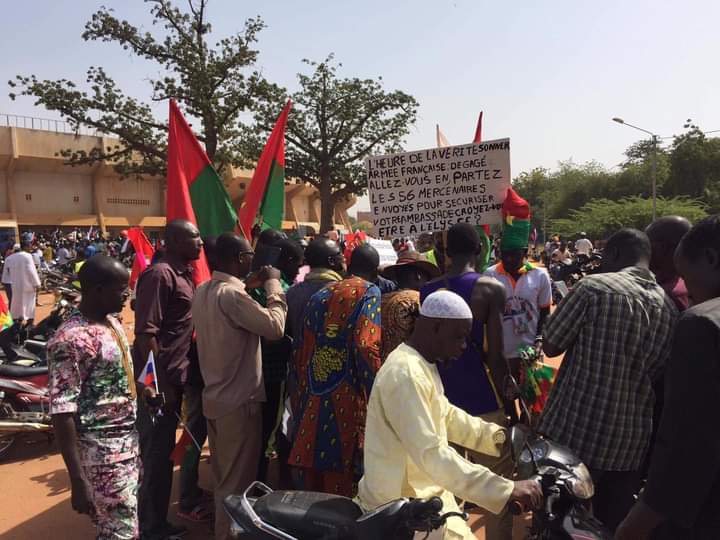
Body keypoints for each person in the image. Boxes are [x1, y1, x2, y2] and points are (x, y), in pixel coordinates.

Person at [357, 290, 542, 540]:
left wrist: (500, 439)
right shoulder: (405, 373)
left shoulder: (420, 364)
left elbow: (446, 415)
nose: (463, 346)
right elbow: (432, 454)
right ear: (435, 327)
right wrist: (505, 489)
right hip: (403, 505)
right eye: (459, 337)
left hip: (426, 495)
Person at [538, 228, 678, 533]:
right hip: (629, 446)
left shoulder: (593, 288)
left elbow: (550, 344)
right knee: (608, 527)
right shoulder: (669, 308)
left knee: (558, 524)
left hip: (574, 437)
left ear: (612, 254)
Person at [616, 215, 720, 540]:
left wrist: (639, 521)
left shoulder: (700, 324)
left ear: (711, 259)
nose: (686, 289)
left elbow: (688, 444)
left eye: (686, 278)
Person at [422, 223, 514, 540]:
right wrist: (511, 402)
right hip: (483, 402)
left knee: (444, 486)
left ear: (445, 253)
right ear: (480, 250)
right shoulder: (491, 290)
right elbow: (496, 355)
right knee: (497, 485)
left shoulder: (427, 291)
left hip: (441, 402)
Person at [192, 233, 287, 540]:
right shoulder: (233, 296)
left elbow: (232, 304)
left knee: (224, 481)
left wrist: (251, 286)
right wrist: (273, 286)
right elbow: (274, 327)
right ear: (236, 260)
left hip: (217, 400)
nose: (252, 259)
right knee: (236, 489)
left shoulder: (204, 290)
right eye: (248, 255)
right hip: (239, 404)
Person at [48, 255, 138, 539]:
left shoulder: (111, 322)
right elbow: (62, 412)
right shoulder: (70, 340)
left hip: (128, 445)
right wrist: (77, 479)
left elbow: (112, 377)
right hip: (102, 456)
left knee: (121, 526)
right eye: (121, 288)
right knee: (120, 532)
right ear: (98, 290)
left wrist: (142, 391)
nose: (128, 294)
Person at [288, 244, 382, 497]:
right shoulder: (368, 292)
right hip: (348, 400)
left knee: (315, 479)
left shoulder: (320, 295)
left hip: (314, 395)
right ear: (374, 271)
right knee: (344, 480)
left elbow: (302, 351)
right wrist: (379, 393)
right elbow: (366, 346)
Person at [133, 219, 203, 540]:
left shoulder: (182, 273)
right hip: (161, 388)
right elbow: (146, 336)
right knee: (156, 458)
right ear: (174, 240)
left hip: (176, 382)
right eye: (194, 238)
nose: (200, 243)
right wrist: (154, 387)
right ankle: (150, 528)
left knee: (163, 459)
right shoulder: (159, 275)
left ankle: (157, 522)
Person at [250, 237, 303, 485]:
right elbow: (277, 331)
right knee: (274, 430)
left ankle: (257, 480)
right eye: (298, 262)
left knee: (257, 434)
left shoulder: (249, 282)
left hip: (251, 373)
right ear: (288, 260)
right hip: (274, 372)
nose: (299, 269)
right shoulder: (279, 287)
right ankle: (264, 485)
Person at [485, 189, 551, 377]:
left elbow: (545, 312)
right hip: (500, 355)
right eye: (504, 254)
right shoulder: (490, 276)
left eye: (514, 255)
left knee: (531, 404)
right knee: (507, 402)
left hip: (530, 353)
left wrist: (539, 340)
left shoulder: (540, 276)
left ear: (524, 253)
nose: (509, 259)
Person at [380, 251, 440, 361]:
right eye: (426, 278)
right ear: (418, 276)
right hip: (409, 366)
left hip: (384, 368)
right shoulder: (416, 300)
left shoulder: (383, 299)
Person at [285, 237, 345, 343]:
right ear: (331, 261)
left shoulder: (292, 293)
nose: (344, 258)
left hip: (299, 357)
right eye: (340, 254)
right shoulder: (345, 293)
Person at [645, 215, 692, 311]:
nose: (642, 248)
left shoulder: (667, 296)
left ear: (661, 248)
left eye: (646, 243)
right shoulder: (691, 284)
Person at [4, 240, 41, 324]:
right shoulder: (27, 256)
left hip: (15, 285)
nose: (30, 248)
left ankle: (16, 323)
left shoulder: (10, 258)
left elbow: (7, 273)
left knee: (16, 304)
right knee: (29, 305)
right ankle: (29, 324)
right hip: (28, 286)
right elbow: (32, 271)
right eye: (29, 246)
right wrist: (37, 284)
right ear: (25, 247)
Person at [1, 243, 20, 307]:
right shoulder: (11, 256)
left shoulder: (9, 256)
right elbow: (9, 270)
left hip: (8, 281)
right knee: (12, 299)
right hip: (9, 281)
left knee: (12, 299)